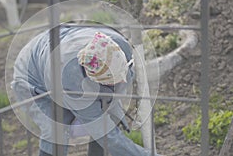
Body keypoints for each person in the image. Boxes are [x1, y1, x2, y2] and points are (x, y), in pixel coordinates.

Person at [11, 24, 159, 156]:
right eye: (115, 80)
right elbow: (105, 134)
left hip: (56, 45)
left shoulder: (117, 44)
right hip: (32, 77)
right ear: (92, 78)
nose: (123, 81)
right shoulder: (70, 81)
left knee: (106, 113)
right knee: (56, 129)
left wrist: (114, 111)